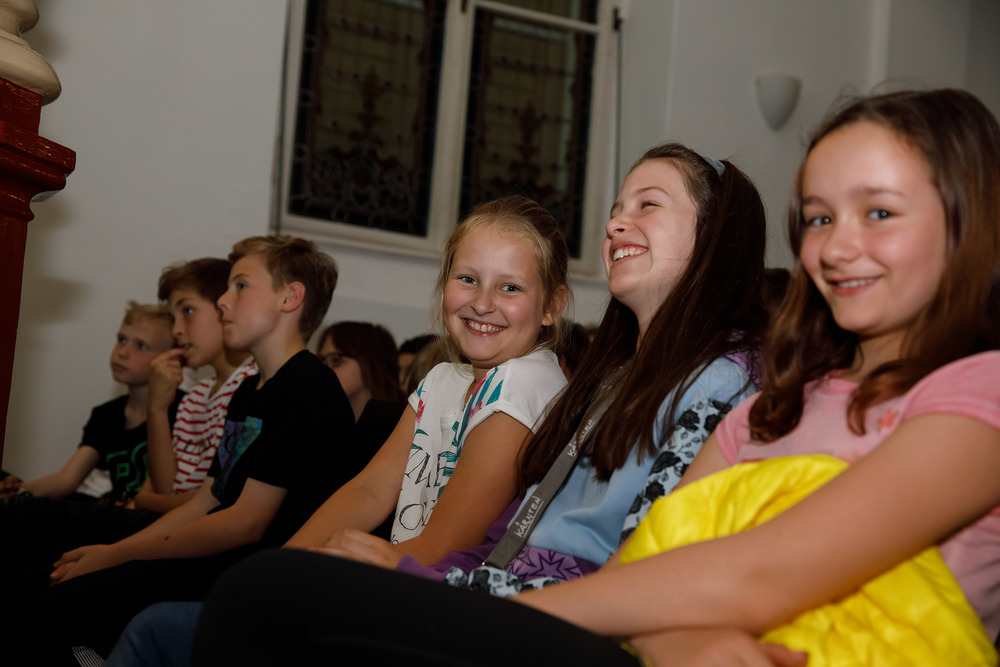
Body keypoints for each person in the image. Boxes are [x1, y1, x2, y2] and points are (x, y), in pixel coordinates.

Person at [196, 88, 1000, 666]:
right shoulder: (789, 397)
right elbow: (659, 556)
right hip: (601, 618)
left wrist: (445, 595)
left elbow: (762, 571)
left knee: (267, 597)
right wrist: (676, 637)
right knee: (268, 595)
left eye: (878, 211)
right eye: (819, 217)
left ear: (968, 217)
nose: (835, 243)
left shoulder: (975, 392)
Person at [184, 141, 770, 664]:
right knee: (252, 595)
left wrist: (420, 577)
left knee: (255, 598)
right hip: (508, 587)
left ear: (715, 233)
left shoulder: (722, 380)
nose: (617, 222)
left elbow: (643, 560)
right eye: (617, 208)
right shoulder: (618, 375)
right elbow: (490, 531)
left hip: (566, 615)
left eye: (648, 205)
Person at [105, 194, 574, 666]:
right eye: (467, 279)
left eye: (510, 287)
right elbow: (370, 490)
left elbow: (448, 544)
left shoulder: (525, 381)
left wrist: (307, 582)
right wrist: (286, 565)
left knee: (159, 631)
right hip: (407, 586)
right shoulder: (443, 379)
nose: (482, 303)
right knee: (184, 619)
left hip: (449, 606)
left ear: (551, 306)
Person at [11, 235, 355, 663]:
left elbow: (246, 523)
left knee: (50, 610)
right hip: (218, 557)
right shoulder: (250, 389)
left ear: (290, 297)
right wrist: (117, 552)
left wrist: (117, 555)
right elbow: (206, 501)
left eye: (240, 286)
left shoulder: (308, 389)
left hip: (251, 573)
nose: (224, 301)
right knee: (30, 587)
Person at [1, 302, 178, 503]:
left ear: (172, 358)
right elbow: (66, 480)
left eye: (141, 346)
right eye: (122, 340)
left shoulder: (183, 410)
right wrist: (16, 491)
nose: (122, 352)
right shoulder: (107, 414)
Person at [132, 257, 257, 514]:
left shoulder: (252, 385)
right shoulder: (195, 396)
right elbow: (165, 487)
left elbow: (218, 500)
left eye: (187, 311)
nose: (176, 330)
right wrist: (156, 409)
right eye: (173, 318)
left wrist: (145, 501)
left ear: (226, 308)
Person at [315, 320, 405, 422]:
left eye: (336, 360)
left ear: (370, 363)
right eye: (322, 361)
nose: (324, 369)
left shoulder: (402, 423)